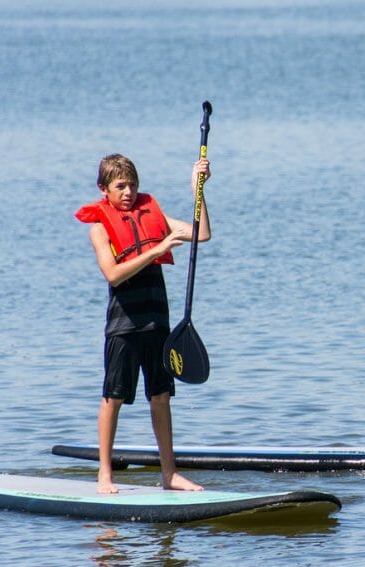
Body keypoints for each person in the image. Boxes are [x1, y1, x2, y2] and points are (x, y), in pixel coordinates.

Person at [75, 153, 211, 494]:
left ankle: (169, 474)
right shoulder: (100, 229)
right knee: (113, 398)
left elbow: (201, 233)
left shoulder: (154, 216)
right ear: (103, 189)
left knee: (161, 396)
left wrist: (198, 189)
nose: (128, 192)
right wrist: (156, 250)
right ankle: (105, 475)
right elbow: (113, 274)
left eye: (133, 185)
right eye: (120, 186)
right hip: (123, 326)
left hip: (158, 324)